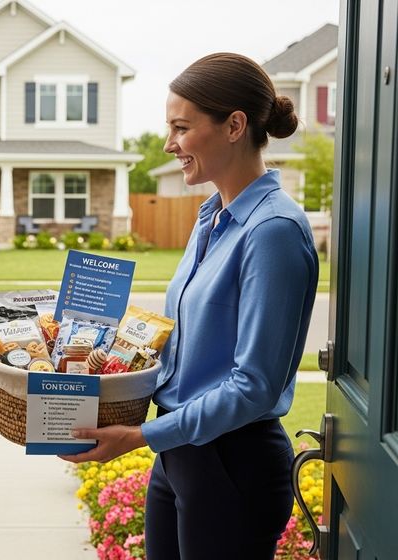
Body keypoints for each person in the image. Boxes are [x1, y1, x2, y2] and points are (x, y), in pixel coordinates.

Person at [61, 53, 319, 559]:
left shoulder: (273, 232)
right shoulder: (211, 217)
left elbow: (254, 385)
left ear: (234, 126)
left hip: (233, 464)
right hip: (181, 456)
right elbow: (186, 349)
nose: (168, 144)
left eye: (181, 127)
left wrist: (140, 435)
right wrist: (103, 353)